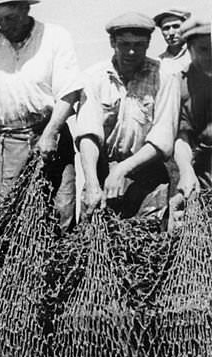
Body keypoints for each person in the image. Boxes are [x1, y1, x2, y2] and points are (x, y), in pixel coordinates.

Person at [0, 0, 82, 230]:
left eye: (12, 18)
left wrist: (51, 132)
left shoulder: (55, 38)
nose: (6, 25)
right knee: (1, 219)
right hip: (7, 142)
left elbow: (69, 92)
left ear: (26, 9)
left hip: (49, 137)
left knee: (58, 213)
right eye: (0, 19)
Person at [76, 13, 181, 220]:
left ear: (149, 44)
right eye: (124, 44)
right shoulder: (94, 77)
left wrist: (122, 169)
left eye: (139, 45)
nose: (131, 51)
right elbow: (88, 133)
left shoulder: (165, 76)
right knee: (95, 241)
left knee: (147, 242)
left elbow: (163, 138)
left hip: (148, 173)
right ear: (112, 42)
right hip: (102, 171)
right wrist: (91, 183)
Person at [174, 16, 212, 199]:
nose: (211, 55)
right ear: (189, 50)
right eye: (204, 49)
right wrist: (186, 170)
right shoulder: (182, 85)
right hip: (205, 176)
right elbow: (183, 137)